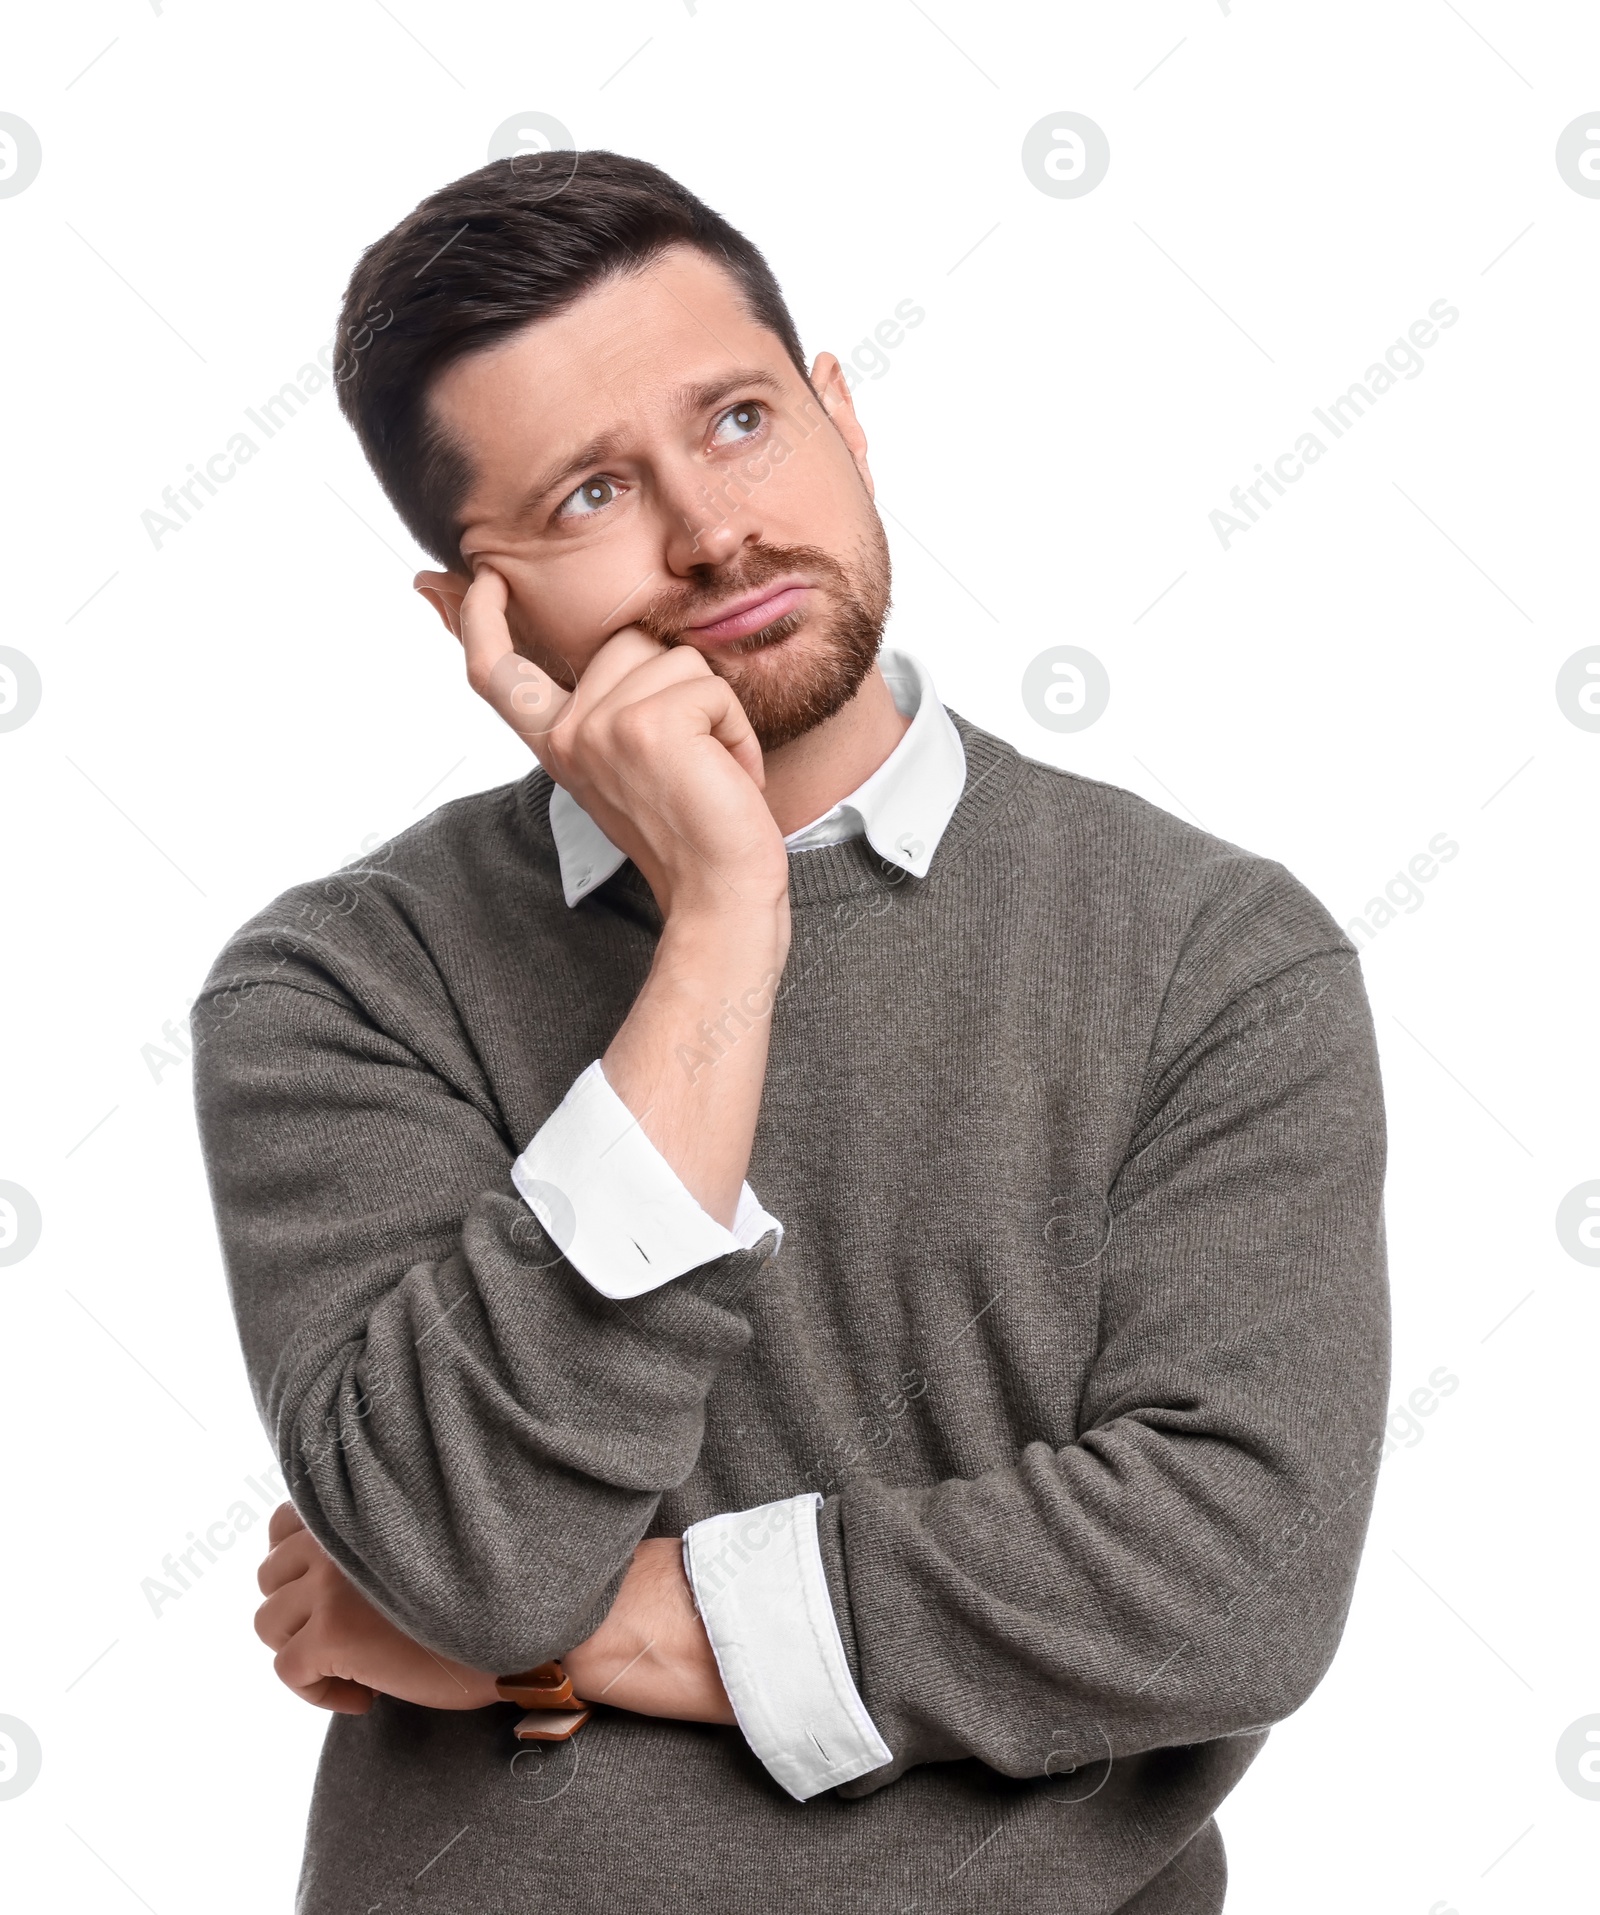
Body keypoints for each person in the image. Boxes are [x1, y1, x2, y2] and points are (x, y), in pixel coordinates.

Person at [191, 149, 1391, 1914]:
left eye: (741, 421)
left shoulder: (1216, 955)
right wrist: (725, 924)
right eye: (593, 491)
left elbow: (1231, 1579)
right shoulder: (341, 988)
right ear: (472, 615)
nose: (713, 532)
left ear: (838, 409)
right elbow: (466, 1543)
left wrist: (555, 1644)